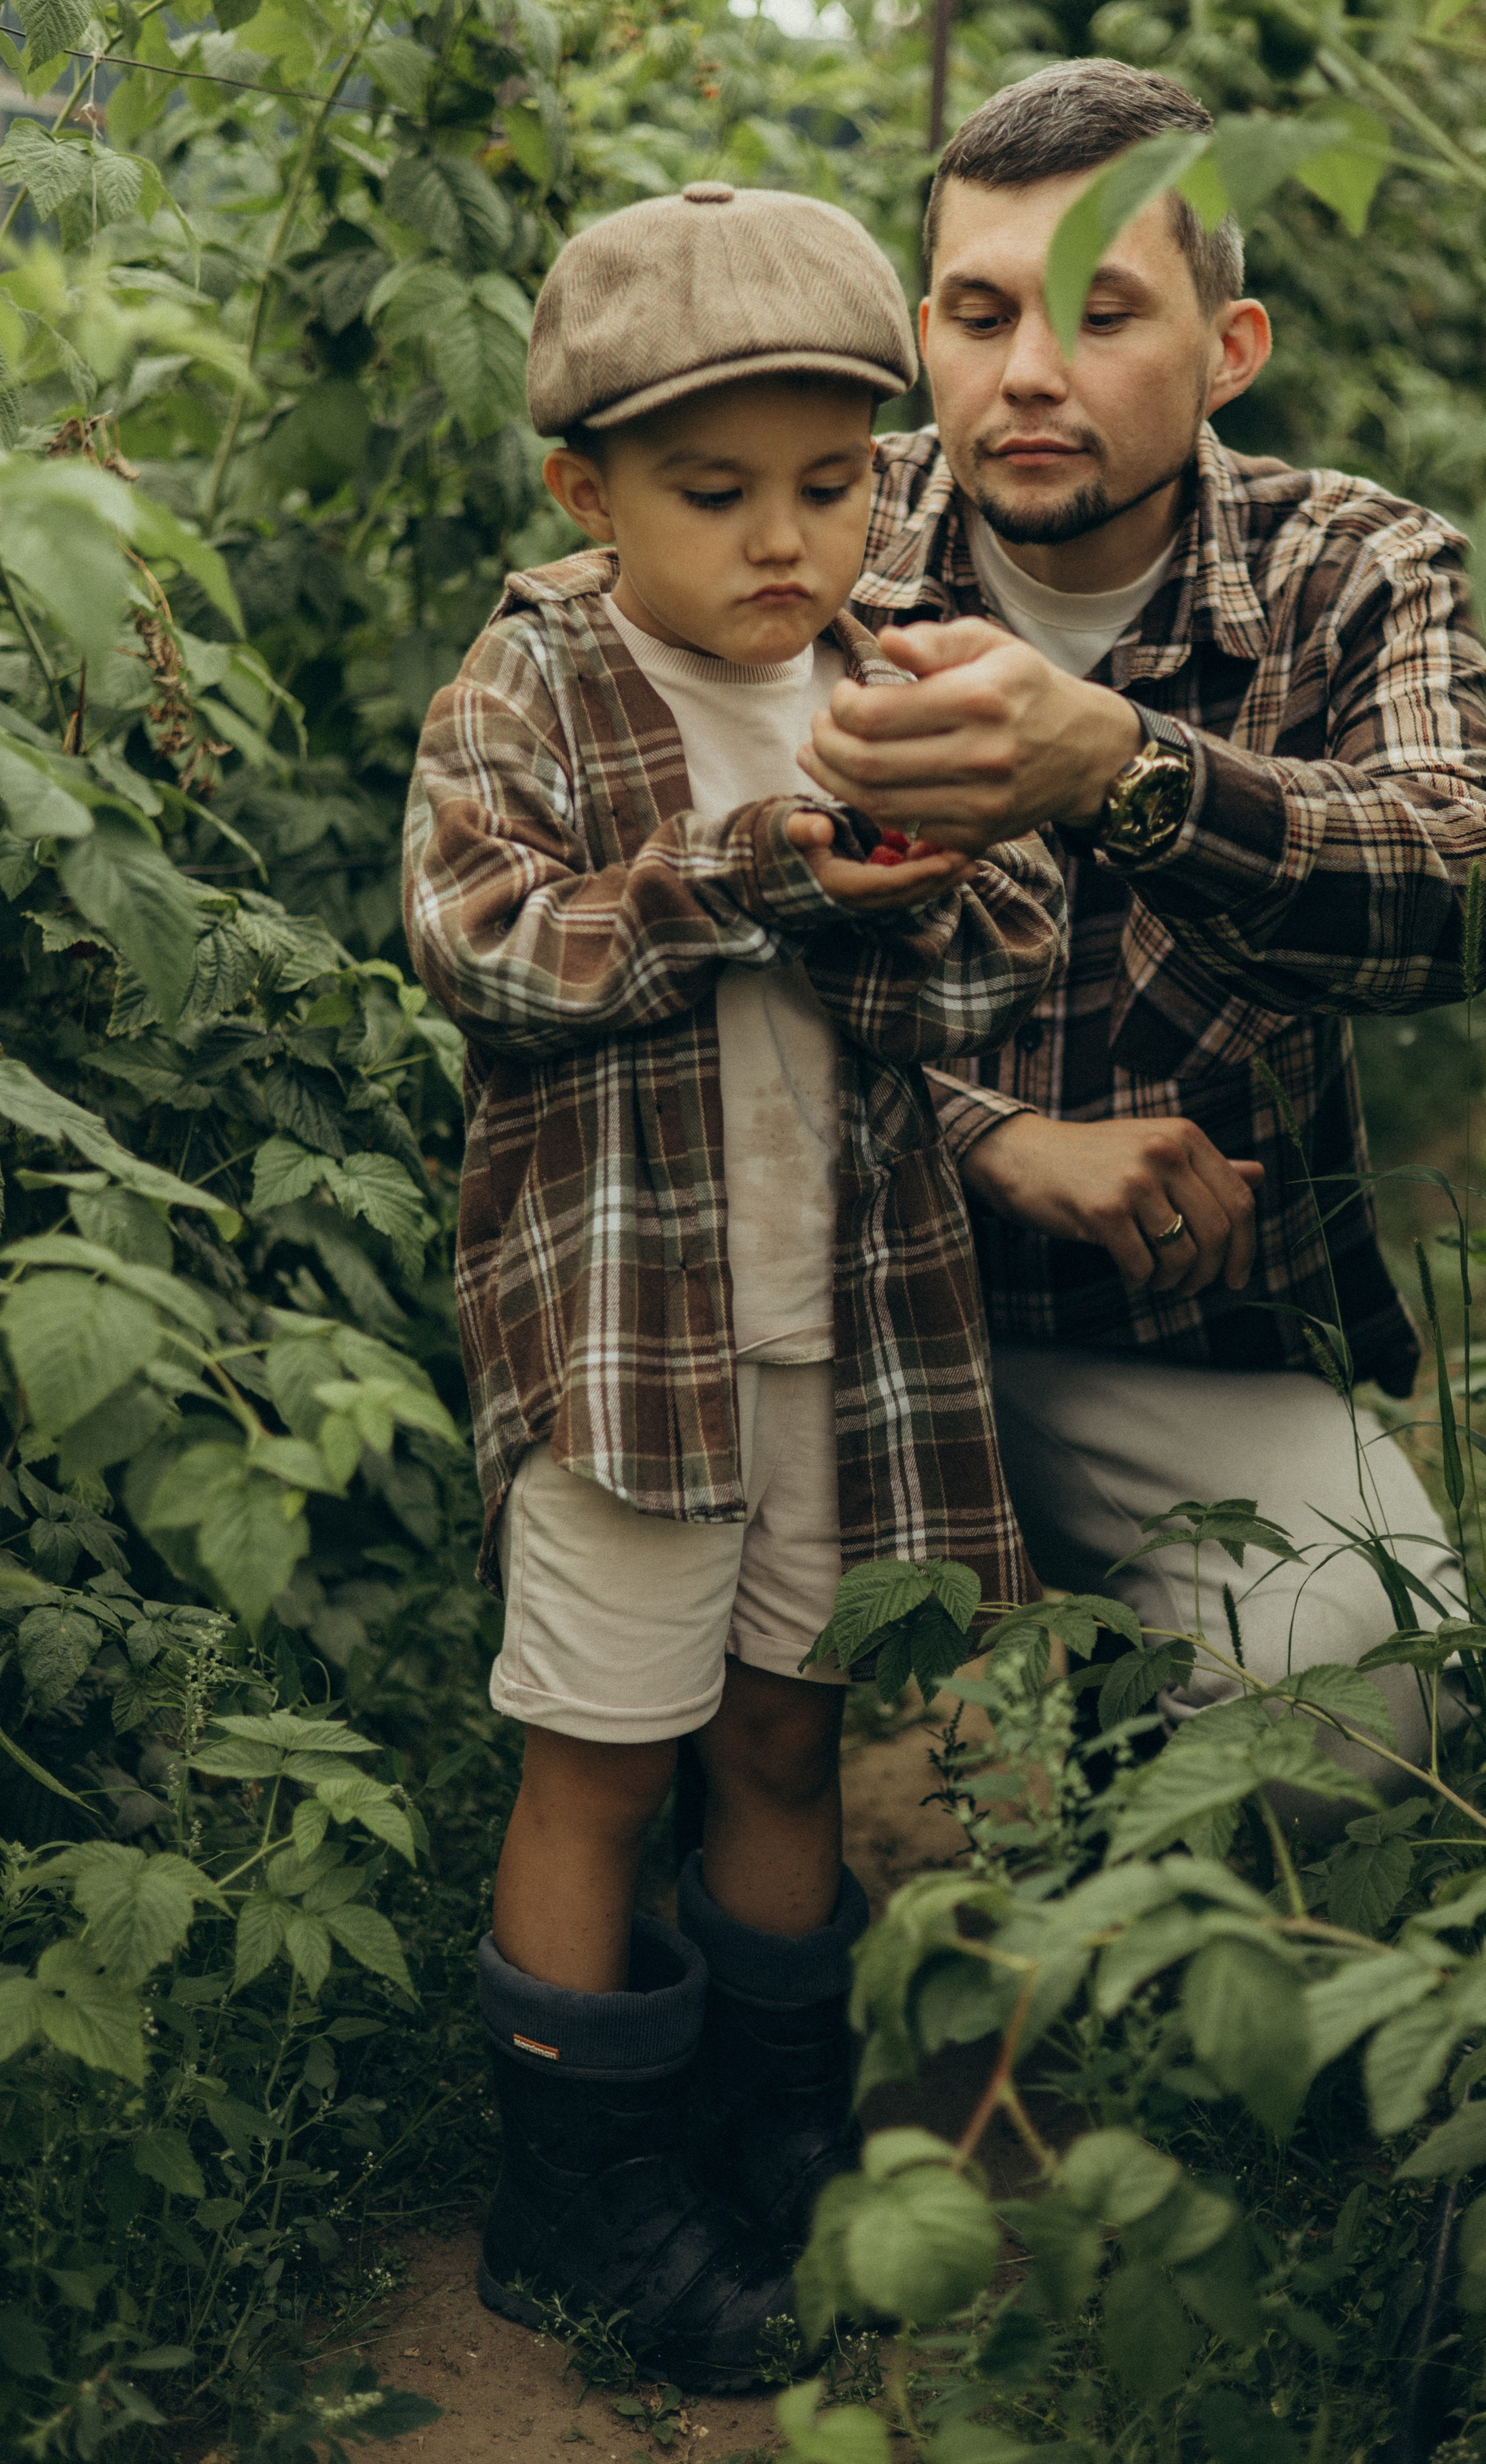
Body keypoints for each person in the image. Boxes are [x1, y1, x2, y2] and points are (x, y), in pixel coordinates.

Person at [401, 181, 1062, 2385]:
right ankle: (577, 2200)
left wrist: (928, 887)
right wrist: (738, 869)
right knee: (602, 1752)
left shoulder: (890, 676)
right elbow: (483, 942)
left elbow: (1021, 945)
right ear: (588, 495)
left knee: (790, 1728)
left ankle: (774, 2118)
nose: (789, 544)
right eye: (716, 494)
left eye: (835, 483)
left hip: (848, 1327)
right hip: (626, 1347)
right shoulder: (541, 678)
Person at [798, 60, 1486, 1777]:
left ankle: (1160, 1946)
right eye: (979, 314)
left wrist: (1119, 766)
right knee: (798, 1778)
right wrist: (980, 1137)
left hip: (1172, 1344)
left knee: (1371, 1680)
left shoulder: (1349, 569)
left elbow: (1454, 894)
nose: (1027, 373)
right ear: (922, 334)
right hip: (820, 1294)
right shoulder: (807, 535)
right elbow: (660, 913)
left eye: (1099, 312)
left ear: (1228, 347)